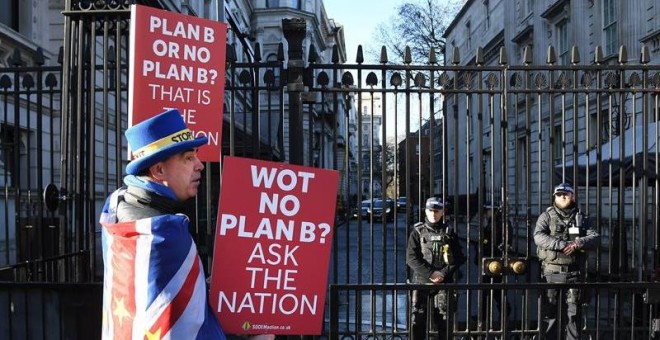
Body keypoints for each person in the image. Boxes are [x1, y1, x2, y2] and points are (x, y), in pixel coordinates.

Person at [99, 109, 227, 339]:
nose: (200, 165)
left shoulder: (117, 202)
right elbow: (193, 329)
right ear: (158, 170)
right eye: (189, 158)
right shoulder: (165, 233)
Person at [534, 183, 600, 340]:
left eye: (566, 194)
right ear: (554, 196)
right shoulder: (546, 216)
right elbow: (538, 236)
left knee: (573, 316)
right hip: (551, 273)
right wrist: (562, 245)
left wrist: (578, 243)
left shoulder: (582, 218)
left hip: (574, 274)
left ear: (573, 196)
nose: (562, 197)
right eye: (559, 194)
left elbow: (595, 237)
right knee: (550, 315)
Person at [407, 197, 465, 339]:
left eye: (437, 211)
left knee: (444, 322)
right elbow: (411, 258)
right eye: (430, 210)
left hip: (444, 283)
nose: (433, 214)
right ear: (426, 211)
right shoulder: (417, 231)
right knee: (418, 321)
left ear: (442, 212)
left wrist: (443, 273)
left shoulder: (449, 232)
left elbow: (459, 257)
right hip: (421, 282)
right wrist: (431, 273)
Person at [478, 202, 512, 332]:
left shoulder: (499, 223)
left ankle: (496, 320)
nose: (485, 214)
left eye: (486, 211)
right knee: (489, 292)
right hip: (489, 262)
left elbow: (496, 243)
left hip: (494, 263)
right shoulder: (495, 222)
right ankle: (485, 320)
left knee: (495, 292)